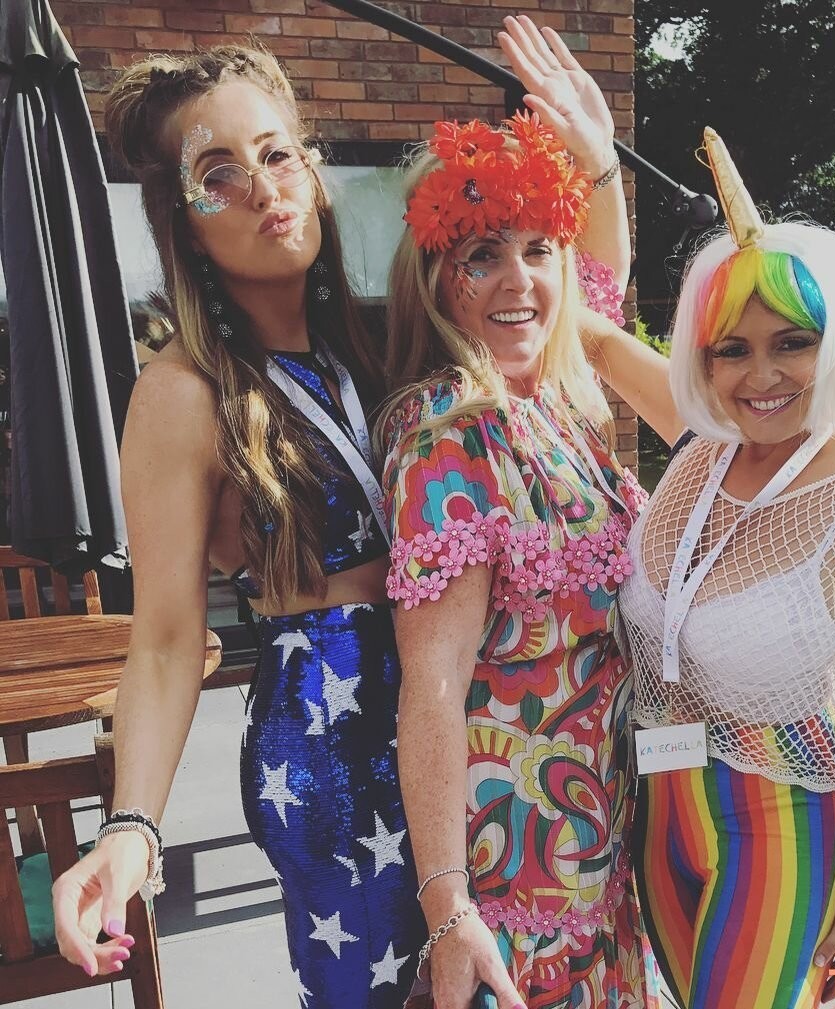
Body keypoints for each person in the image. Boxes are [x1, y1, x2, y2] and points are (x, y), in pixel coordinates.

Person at [50, 46, 426, 1008]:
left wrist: (593, 165)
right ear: (184, 223)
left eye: (277, 153)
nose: (264, 188)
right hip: (333, 742)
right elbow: (166, 639)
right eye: (219, 174)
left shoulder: (370, 350)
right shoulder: (183, 392)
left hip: (447, 707)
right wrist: (131, 825)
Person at [586, 130, 835, 1009]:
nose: (760, 375)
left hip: (784, 815)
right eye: (731, 349)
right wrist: (585, 154)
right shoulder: (701, 446)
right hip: (659, 808)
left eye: (791, 342)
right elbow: (591, 334)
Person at [379, 18, 659, 1009]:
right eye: (482, 254)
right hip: (518, 882)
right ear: (436, 278)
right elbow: (432, 688)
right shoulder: (451, 433)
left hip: (600, 852)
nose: (519, 280)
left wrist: (599, 162)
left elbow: (597, 289)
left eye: (539, 249)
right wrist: (449, 906)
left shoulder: (556, 400)